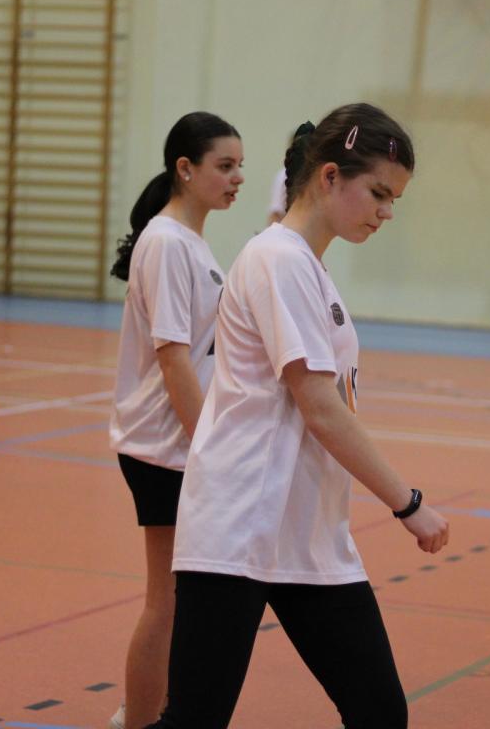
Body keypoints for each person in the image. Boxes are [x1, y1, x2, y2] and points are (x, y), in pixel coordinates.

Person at [146, 103, 449, 729]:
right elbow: (322, 410)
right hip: (240, 526)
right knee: (195, 720)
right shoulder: (278, 259)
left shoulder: (308, 266)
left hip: (303, 533)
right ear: (330, 176)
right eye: (379, 194)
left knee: (378, 711)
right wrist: (408, 503)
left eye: (394, 200)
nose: (387, 213)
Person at [108, 112, 244, 729]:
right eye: (225, 165)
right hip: (162, 447)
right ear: (185, 169)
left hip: (180, 445)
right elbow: (172, 357)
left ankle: (143, 712)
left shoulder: (192, 243)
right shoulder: (166, 242)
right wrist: (208, 445)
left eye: (240, 166)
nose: (237, 177)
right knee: (164, 602)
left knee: (179, 601)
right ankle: (138, 720)